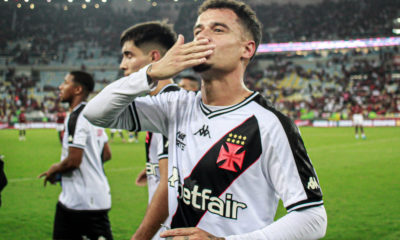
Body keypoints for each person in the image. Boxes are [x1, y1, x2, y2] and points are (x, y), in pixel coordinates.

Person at [84, 0, 327, 239]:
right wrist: (150, 72)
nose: (202, 37)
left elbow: (312, 218)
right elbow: (96, 113)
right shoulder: (175, 105)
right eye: (197, 31)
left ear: (247, 49)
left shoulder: (270, 124)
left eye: (218, 29)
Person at [119, 21, 180, 240]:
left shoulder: (169, 105)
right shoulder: (162, 102)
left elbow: (168, 185)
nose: (122, 65)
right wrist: (153, 168)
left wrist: (140, 237)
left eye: (129, 55)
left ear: (154, 57)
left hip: (168, 230)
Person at [39, 71, 113, 240]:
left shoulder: (77, 116)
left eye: (65, 83)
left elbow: (73, 161)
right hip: (74, 200)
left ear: (77, 89)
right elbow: (106, 154)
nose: (60, 86)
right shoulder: (93, 114)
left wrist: (54, 169)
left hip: (85, 204)